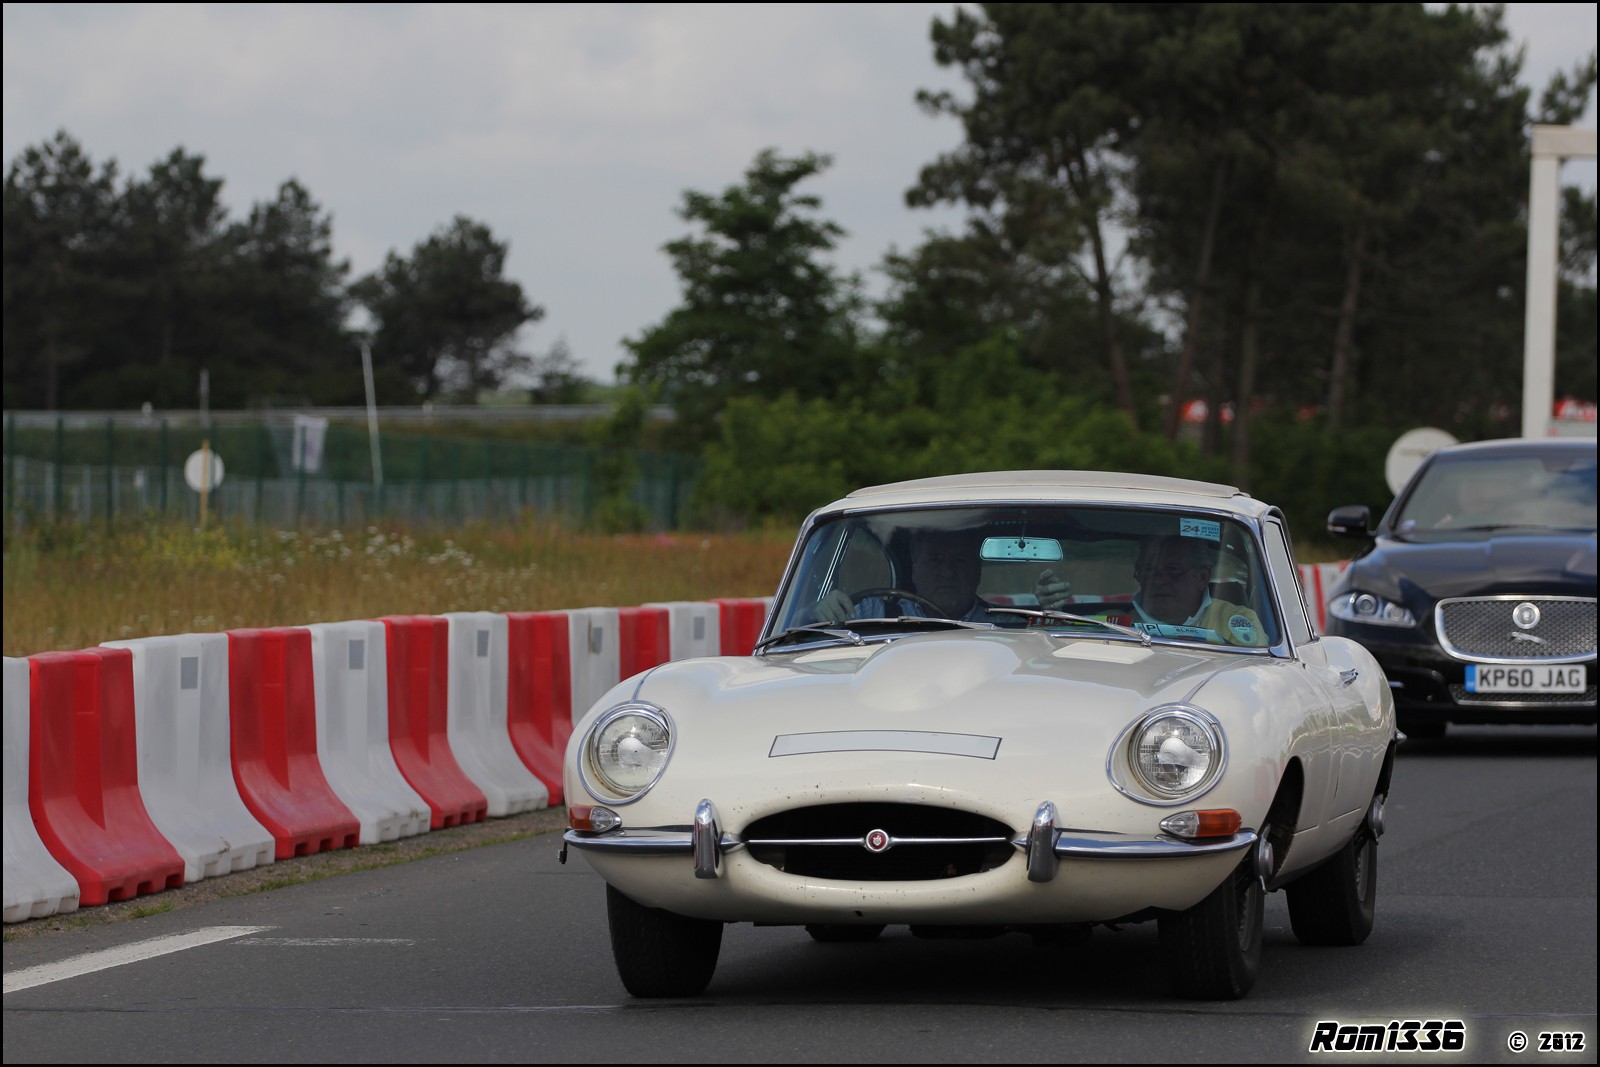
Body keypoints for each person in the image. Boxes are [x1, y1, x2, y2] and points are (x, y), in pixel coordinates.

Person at [809, 528, 1071, 624]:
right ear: (915, 569)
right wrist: (820, 611)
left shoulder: (1005, 624)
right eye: (935, 560)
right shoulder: (873, 612)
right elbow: (806, 637)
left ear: (976, 572)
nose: (947, 572)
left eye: (959, 560)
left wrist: (1051, 614)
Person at [1131, 534, 1266, 646]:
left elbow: (1249, 672)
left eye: (1172, 570)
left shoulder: (1235, 621)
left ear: (1202, 577)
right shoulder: (1115, 623)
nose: (1158, 580)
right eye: (1148, 570)